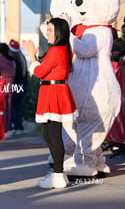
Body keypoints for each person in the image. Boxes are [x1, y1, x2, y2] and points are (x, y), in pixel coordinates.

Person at [22, 17, 78, 189]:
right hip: (53, 92)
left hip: (54, 93)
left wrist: (31, 55)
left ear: (59, 32)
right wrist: (36, 56)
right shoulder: (60, 50)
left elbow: (40, 72)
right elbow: (46, 69)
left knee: (53, 135)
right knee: (50, 134)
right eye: (47, 30)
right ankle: (58, 173)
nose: (47, 33)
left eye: (51, 30)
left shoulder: (57, 50)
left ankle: (58, 175)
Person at [0, 43, 16, 134]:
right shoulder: (12, 60)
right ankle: (7, 127)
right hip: (11, 85)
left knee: (1, 108)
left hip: (1, 85)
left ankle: (2, 127)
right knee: (8, 107)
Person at [8, 39, 28, 135]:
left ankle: (14, 126)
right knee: (18, 107)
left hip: (15, 86)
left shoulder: (14, 61)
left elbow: (14, 76)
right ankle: (19, 127)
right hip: (23, 85)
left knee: (12, 106)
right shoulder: (22, 58)